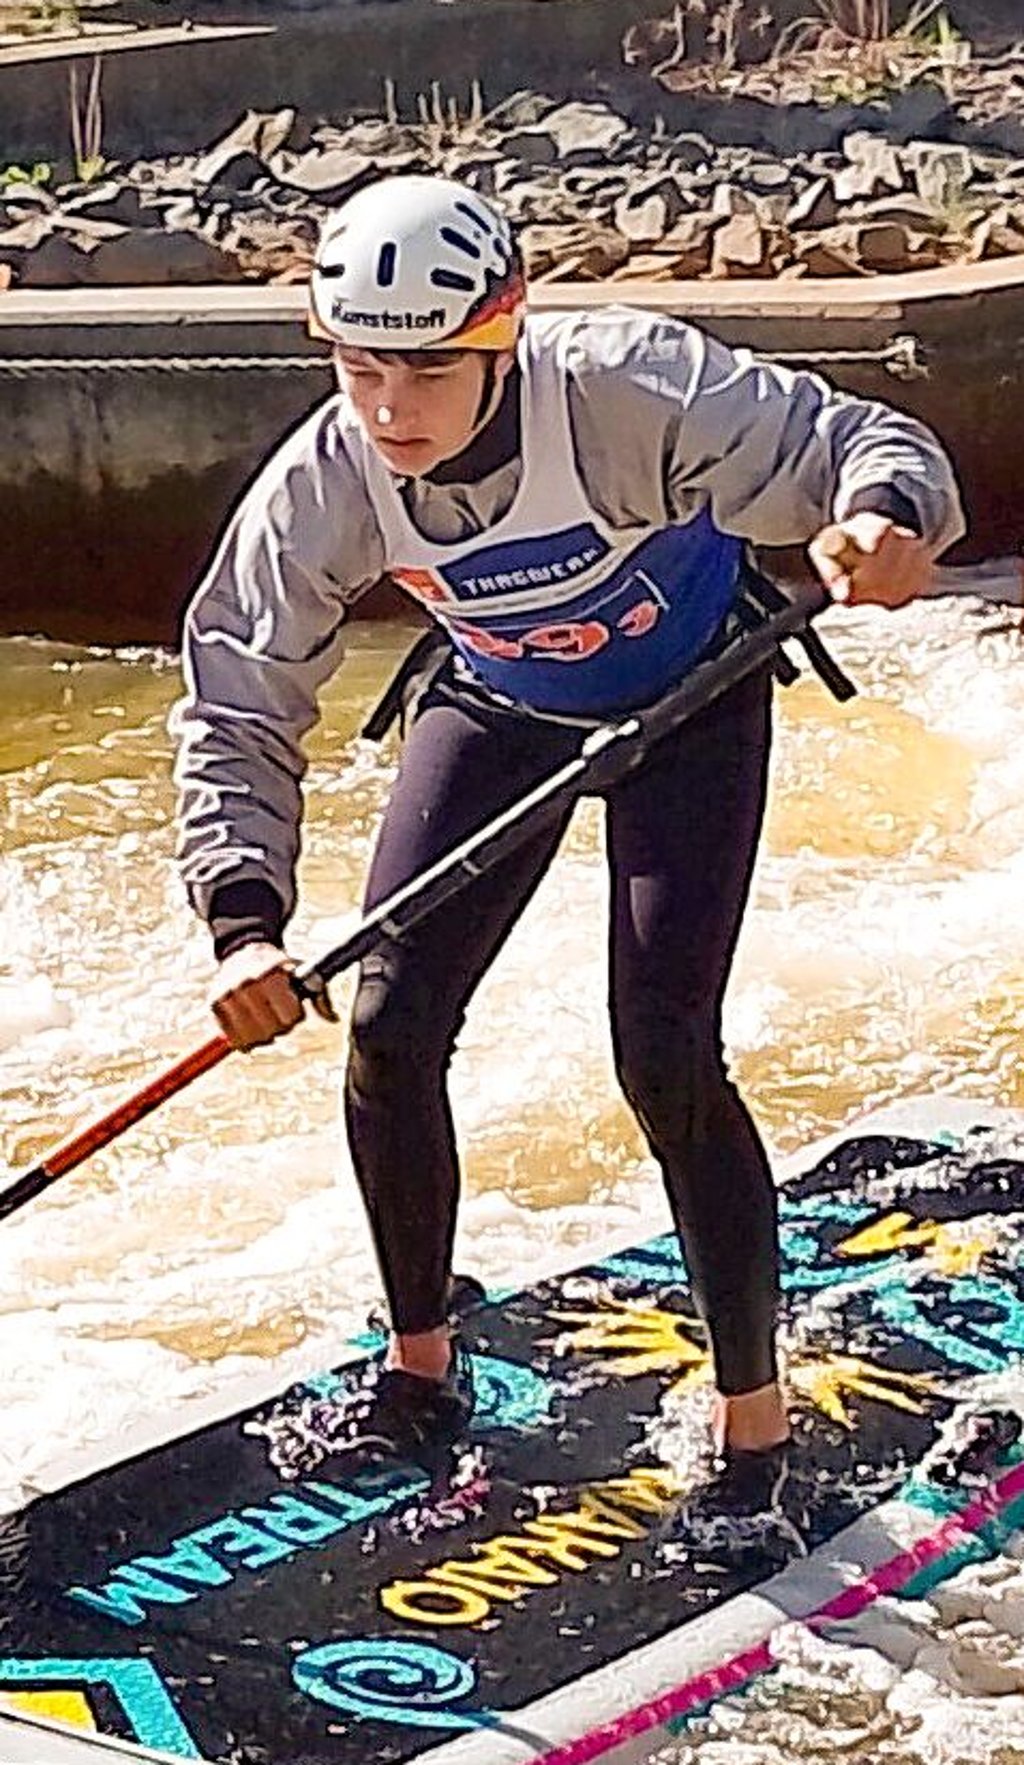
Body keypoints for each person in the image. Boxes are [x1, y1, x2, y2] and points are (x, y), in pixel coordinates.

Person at [172, 172, 963, 1551]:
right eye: (359, 364)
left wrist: (886, 517)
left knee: (661, 1048)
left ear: (506, 328)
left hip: (694, 702)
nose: (388, 404)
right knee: (388, 1026)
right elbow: (238, 699)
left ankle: (753, 1432)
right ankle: (422, 1367)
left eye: (427, 364)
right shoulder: (326, 479)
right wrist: (243, 922)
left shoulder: (625, 384)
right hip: (500, 710)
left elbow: (861, 439)